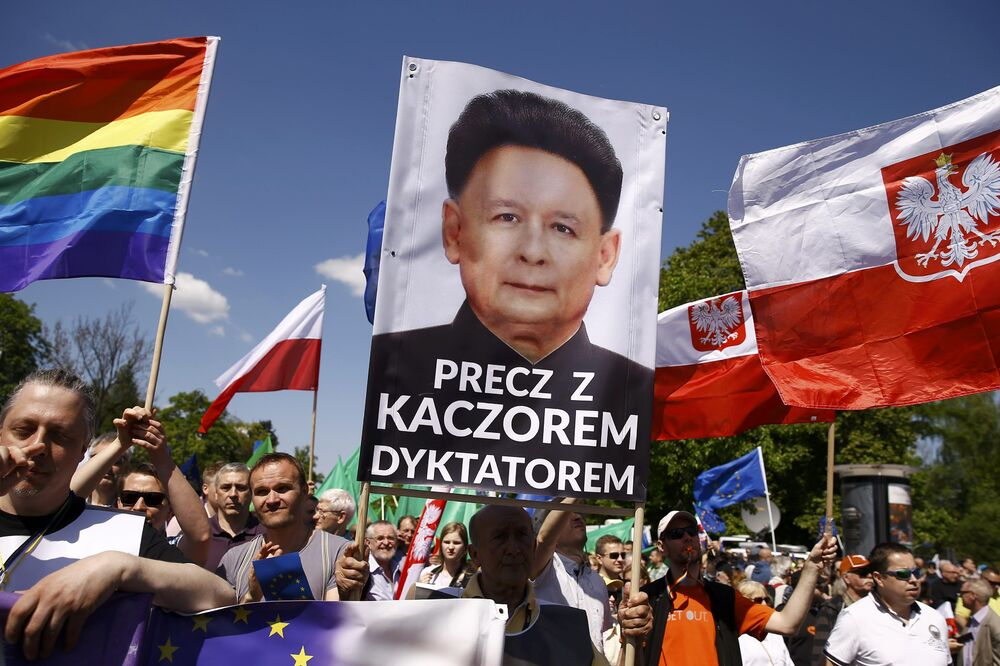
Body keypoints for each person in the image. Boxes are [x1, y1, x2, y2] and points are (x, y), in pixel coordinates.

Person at [361, 89, 654, 492]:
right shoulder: (402, 368)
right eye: (507, 217)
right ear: (454, 231)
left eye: (563, 228)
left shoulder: (627, 389)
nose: (533, 252)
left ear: (606, 255)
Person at [0, 369, 235, 660]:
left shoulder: (123, 534)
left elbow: (220, 595)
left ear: (82, 451)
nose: (38, 447)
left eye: (60, 436)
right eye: (23, 430)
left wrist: (119, 568)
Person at [442, 505, 652, 666]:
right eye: (500, 537)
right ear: (475, 554)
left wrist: (631, 637)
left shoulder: (569, 625)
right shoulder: (435, 606)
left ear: (533, 547)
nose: (514, 549)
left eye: (522, 536)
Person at [641, 510, 837, 666]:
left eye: (691, 531)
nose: (687, 537)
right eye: (676, 534)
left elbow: (788, 623)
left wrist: (811, 568)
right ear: (661, 546)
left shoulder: (724, 597)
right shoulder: (648, 598)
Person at [216, 453, 368, 602]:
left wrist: (346, 591)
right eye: (262, 492)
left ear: (304, 492)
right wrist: (251, 596)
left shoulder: (338, 553)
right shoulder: (234, 559)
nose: (272, 500)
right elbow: (223, 624)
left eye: (282, 488)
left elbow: (334, 621)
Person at [824, 542, 949, 666]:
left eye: (916, 573)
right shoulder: (855, 618)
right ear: (879, 578)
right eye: (903, 574)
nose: (914, 580)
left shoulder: (935, 618)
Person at [533, 505, 614, 652]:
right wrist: (576, 489)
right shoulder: (542, 569)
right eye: (566, 515)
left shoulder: (598, 581)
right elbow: (544, 540)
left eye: (578, 512)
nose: (577, 517)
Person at [179, 462, 264, 572]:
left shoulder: (267, 534)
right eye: (226, 487)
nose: (233, 494)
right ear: (215, 494)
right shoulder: (196, 535)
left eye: (241, 487)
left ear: (252, 493)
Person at [811, 555, 871, 666]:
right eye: (863, 573)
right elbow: (820, 652)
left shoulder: (878, 605)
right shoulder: (831, 608)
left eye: (871, 572)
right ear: (846, 578)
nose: (869, 576)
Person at [735, 580, 794, 666]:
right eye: (758, 600)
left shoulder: (774, 632)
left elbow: (788, 662)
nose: (764, 604)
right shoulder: (738, 636)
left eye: (766, 599)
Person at [73, 431, 131, 506]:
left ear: (127, 467)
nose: (107, 467)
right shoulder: (67, 500)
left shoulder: (132, 507)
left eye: (116, 461)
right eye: (99, 460)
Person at [956, 578, 1000, 666]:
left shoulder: (995, 625)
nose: (960, 596)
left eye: (962, 593)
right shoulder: (973, 619)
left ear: (972, 595)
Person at [419, 521, 475, 589]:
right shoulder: (427, 573)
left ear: (465, 547)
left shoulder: (472, 578)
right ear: (441, 545)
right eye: (447, 542)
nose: (451, 547)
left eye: (456, 543)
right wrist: (421, 587)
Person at [364, 519, 402, 600]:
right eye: (380, 538)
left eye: (391, 538)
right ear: (368, 542)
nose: (386, 542)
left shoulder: (400, 570)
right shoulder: (362, 571)